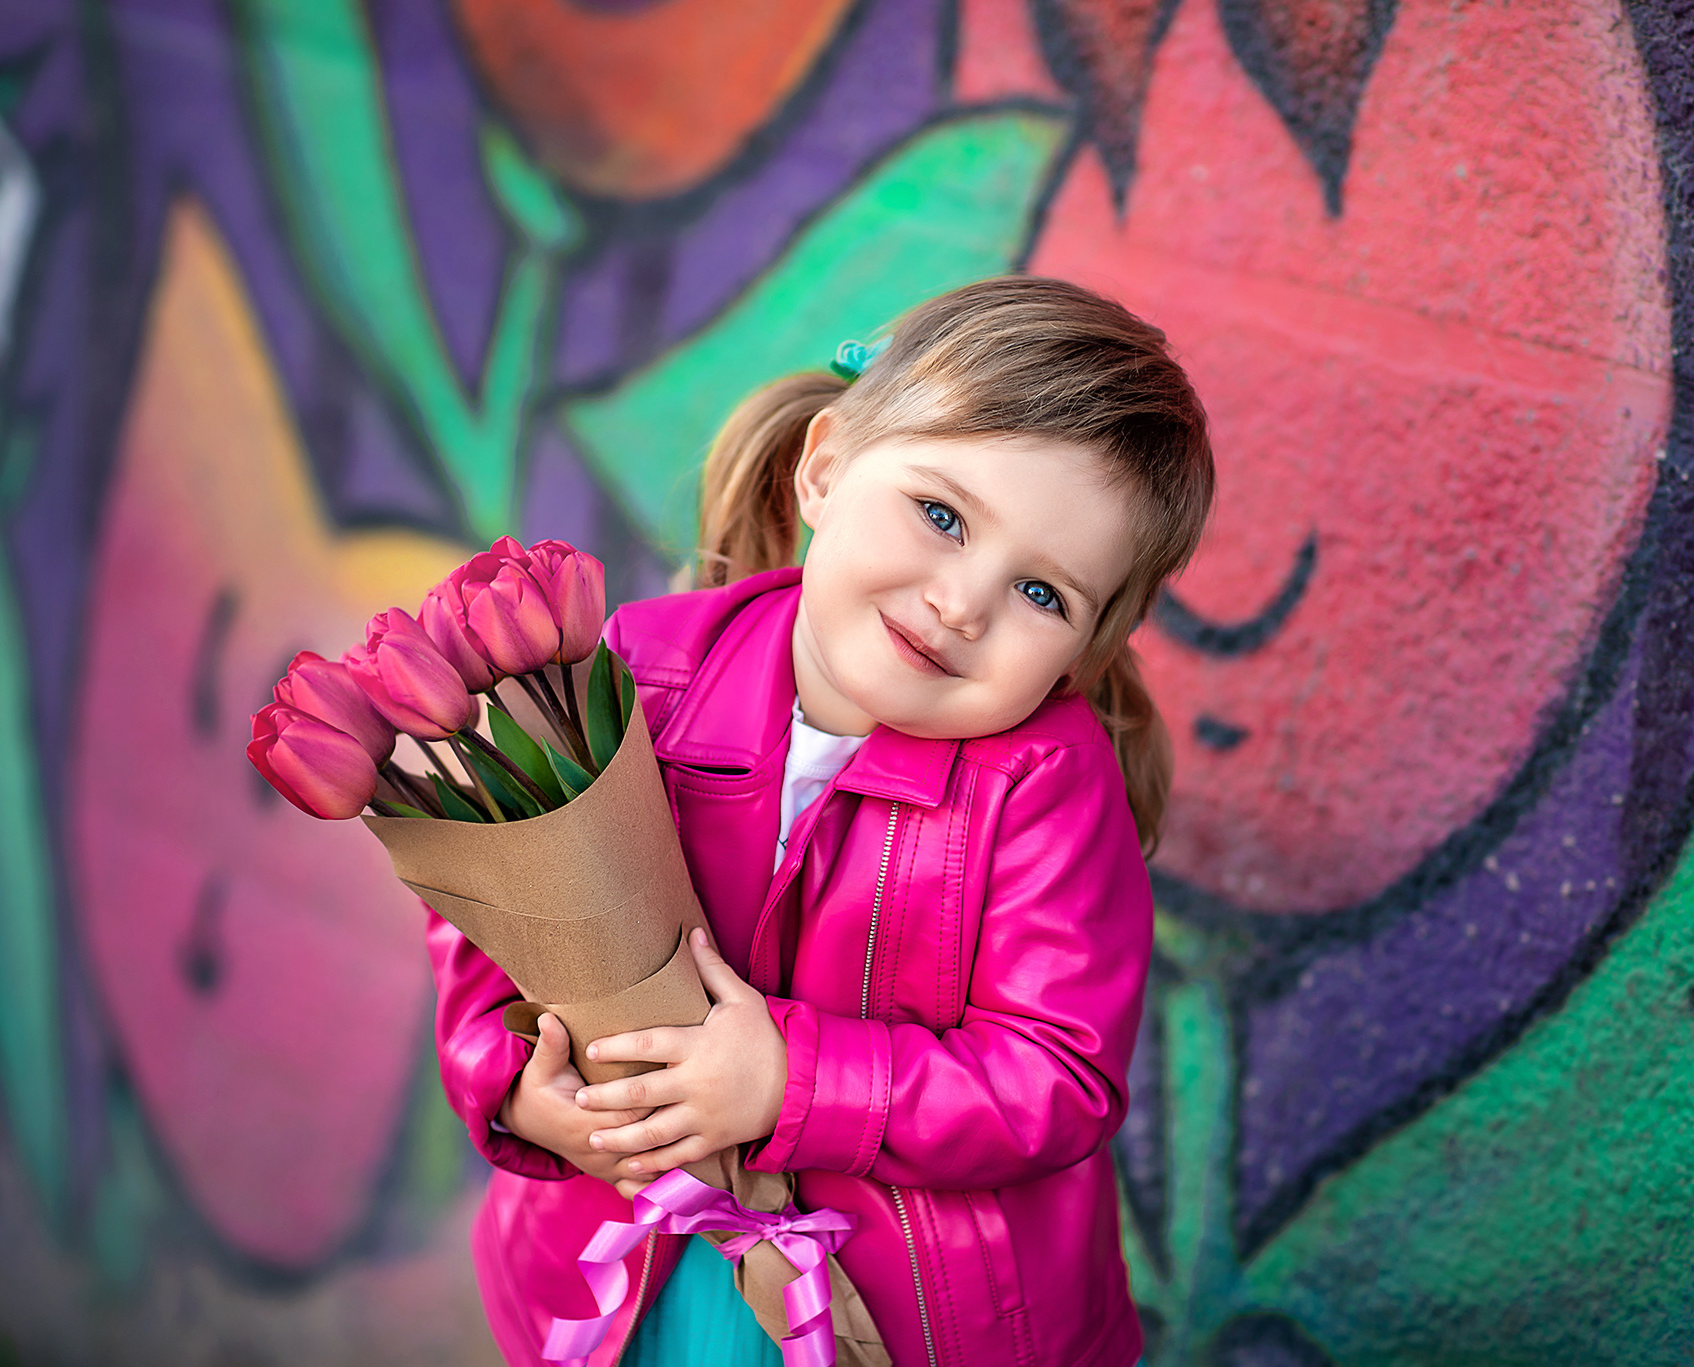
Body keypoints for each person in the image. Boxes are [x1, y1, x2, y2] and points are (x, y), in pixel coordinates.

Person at [427, 276, 1215, 1367]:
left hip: (901, 1318)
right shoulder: (645, 671)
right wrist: (517, 1082)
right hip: (632, 1265)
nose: (962, 602)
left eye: (1042, 593)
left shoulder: (1045, 789)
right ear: (825, 464)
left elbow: (1055, 1075)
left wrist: (793, 1084)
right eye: (940, 515)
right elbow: (493, 913)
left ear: (1081, 650)